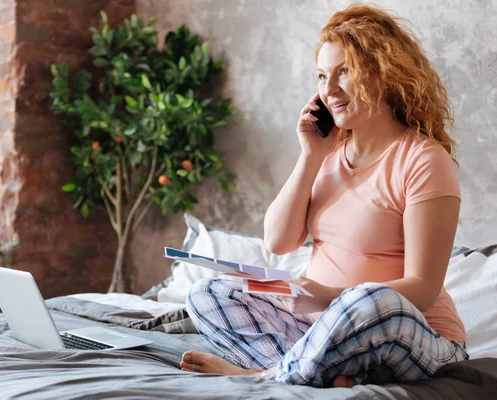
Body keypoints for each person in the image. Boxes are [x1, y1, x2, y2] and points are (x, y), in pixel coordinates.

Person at [180, 4, 468, 388]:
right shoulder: (327, 153)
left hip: (412, 335)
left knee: (370, 300)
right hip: (320, 327)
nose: (328, 90)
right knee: (209, 291)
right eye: (321, 76)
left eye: (343, 72)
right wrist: (310, 155)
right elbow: (278, 241)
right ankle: (322, 371)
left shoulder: (423, 160)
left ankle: (265, 375)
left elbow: (423, 288)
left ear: (383, 72)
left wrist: (329, 297)